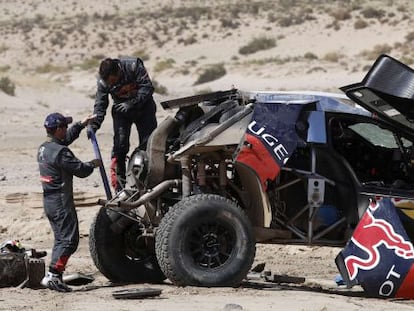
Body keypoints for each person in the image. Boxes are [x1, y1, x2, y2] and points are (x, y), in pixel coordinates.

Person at [37, 112, 102, 292]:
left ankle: (52, 275)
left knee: (61, 239)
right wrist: (93, 164)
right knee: (69, 241)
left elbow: (64, 141)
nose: (66, 129)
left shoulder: (45, 148)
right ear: (58, 129)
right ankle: (54, 275)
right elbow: (80, 170)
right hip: (61, 202)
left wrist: (80, 125)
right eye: (64, 127)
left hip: (49, 201)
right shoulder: (61, 152)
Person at [90, 57, 157, 192]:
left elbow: (147, 87)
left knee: (149, 144)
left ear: (118, 72)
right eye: (109, 83)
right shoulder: (103, 82)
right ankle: (119, 187)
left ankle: (149, 182)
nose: (112, 84)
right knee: (120, 146)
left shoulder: (133, 65)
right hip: (121, 111)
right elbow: (101, 104)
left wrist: (132, 103)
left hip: (144, 108)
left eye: (113, 81)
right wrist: (95, 124)